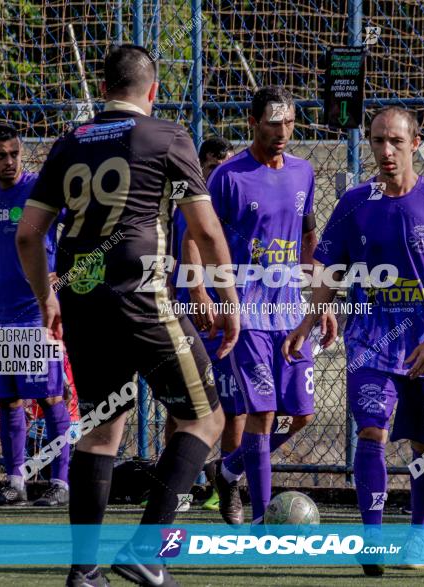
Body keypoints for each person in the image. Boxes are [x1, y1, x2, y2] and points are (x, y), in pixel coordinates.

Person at [16, 44, 239, 587]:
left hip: (82, 302)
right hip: (143, 297)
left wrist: (47, 296)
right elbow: (206, 230)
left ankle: (83, 570)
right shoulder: (167, 136)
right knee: (206, 419)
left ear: (104, 86)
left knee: (98, 432)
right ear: (153, 90)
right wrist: (229, 303)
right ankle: (147, 548)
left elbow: (28, 234)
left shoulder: (69, 142)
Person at [285, 106, 424, 575]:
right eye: (377, 141)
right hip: (370, 341)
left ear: (416, 142)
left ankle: (419, 538)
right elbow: (329, 269)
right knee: (372, 432)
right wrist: (309, 320)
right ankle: (372, 538)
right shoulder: (354, 202)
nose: (385, 151)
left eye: (395, 142)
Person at [194, 87, 334, 526]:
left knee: (302, 415)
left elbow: (309, 240)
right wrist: (200, 292)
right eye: (273, 122)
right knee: (263, 411)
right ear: (252, 123)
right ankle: (260, 515)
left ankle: (230, 468)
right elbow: (196, 235)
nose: (282, 131)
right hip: (248, 312)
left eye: (289, 122)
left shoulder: (304, 172)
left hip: (293, 311)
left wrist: (322, 299)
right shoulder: (228, 177)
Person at [0, 123, 70, 507]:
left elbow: (81, 225)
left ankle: (61, 482)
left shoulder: (38, 188)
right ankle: (15, 480)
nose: (9, 161)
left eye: (14, 153)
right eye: (0, 155)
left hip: (36, 312)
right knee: (9, 400)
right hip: (1, 313)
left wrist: (63, 275)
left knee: (51, 396)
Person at [165, 136, 238, 513]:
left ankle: (224, 481)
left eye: (222, 164)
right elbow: (185, 249)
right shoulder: (189, 203)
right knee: (183, 404)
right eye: (211, 165)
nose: (216, 172)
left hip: (229, 314)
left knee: (233, 403)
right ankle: (179, 483)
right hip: (192, 312)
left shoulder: (233, 198)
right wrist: (198, 294)